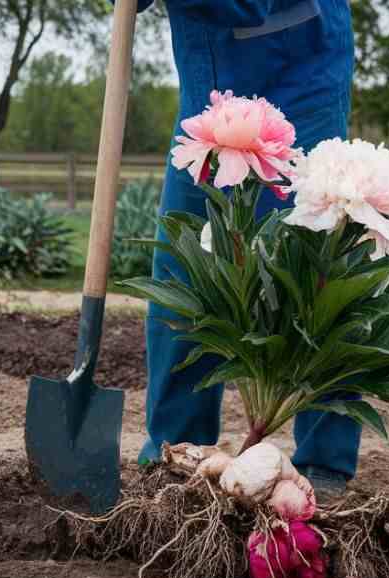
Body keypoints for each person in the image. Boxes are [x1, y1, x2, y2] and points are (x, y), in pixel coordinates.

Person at [131, 0, 360, 497]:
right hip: (208, 81)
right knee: (184, 263)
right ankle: (178, 448)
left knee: (312, 256)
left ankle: (325, 462)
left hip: (298, 66)